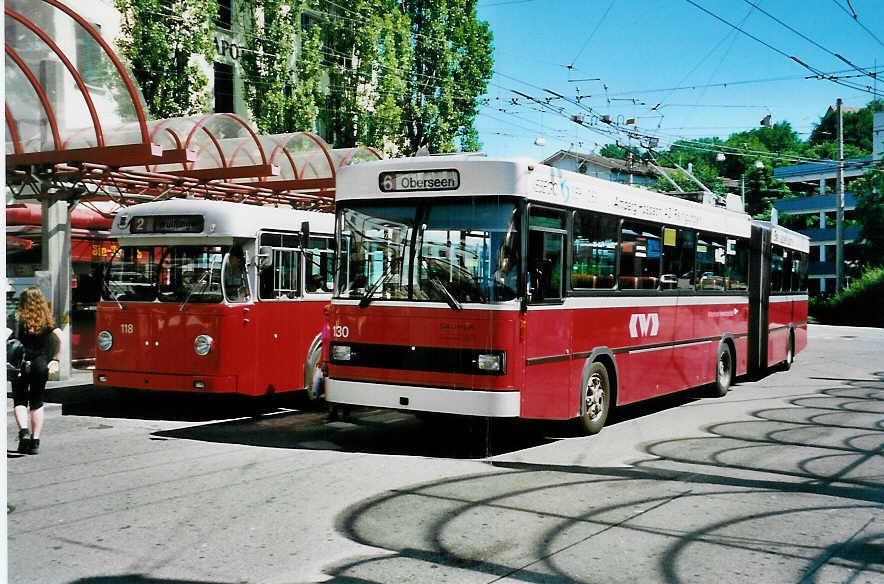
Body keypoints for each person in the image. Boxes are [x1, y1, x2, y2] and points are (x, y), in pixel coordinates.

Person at [6, 287, 62, 455]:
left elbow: (4, 335)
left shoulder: (15, 318)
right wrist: (56, 359)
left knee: (20, 400)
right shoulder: (47, 320)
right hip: (40, 364)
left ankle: (24, 432)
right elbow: (61, 338)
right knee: (37, 402)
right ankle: (35, 441)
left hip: (20, 364)